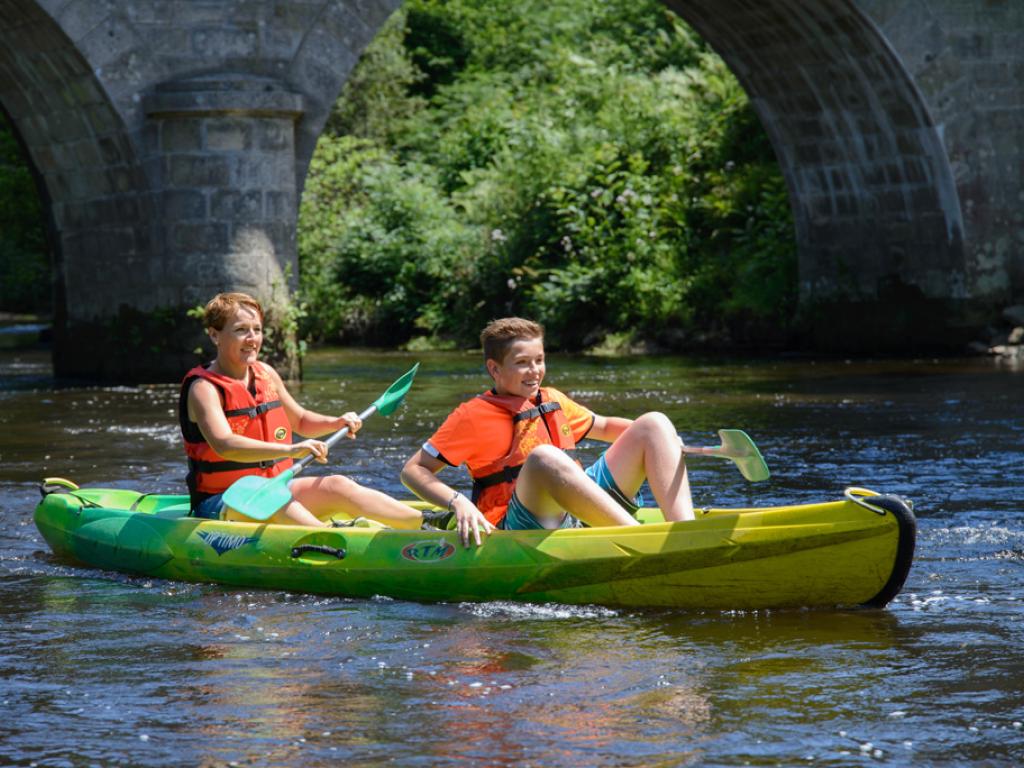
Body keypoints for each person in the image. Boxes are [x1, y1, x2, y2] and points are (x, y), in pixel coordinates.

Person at [401, 317, 695, 546]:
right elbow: (413, 471)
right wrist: (458, 502)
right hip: (519, 524)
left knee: (654, 423)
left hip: (578, 513)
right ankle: (641, 541)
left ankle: (689, 535)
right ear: (495, 369)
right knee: (545, 458)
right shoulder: (471, 416)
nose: (535, 371)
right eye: (522, 363)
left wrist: (666, 441)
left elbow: (604, 426)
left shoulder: (551, 399)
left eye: (539, 360)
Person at [179, 291, 422, 529]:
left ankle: (425, 524)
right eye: (241, 330)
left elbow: (302, 421)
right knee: (275, 501)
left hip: (274, 489)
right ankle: (333, 540)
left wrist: (335, 423)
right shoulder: (204, 388)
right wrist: (291, 449)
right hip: (223, 500)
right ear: (214, 335)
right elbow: (225, 444)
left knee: (337, 485)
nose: (252, 338)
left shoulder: (266, 373)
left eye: (257, 329)